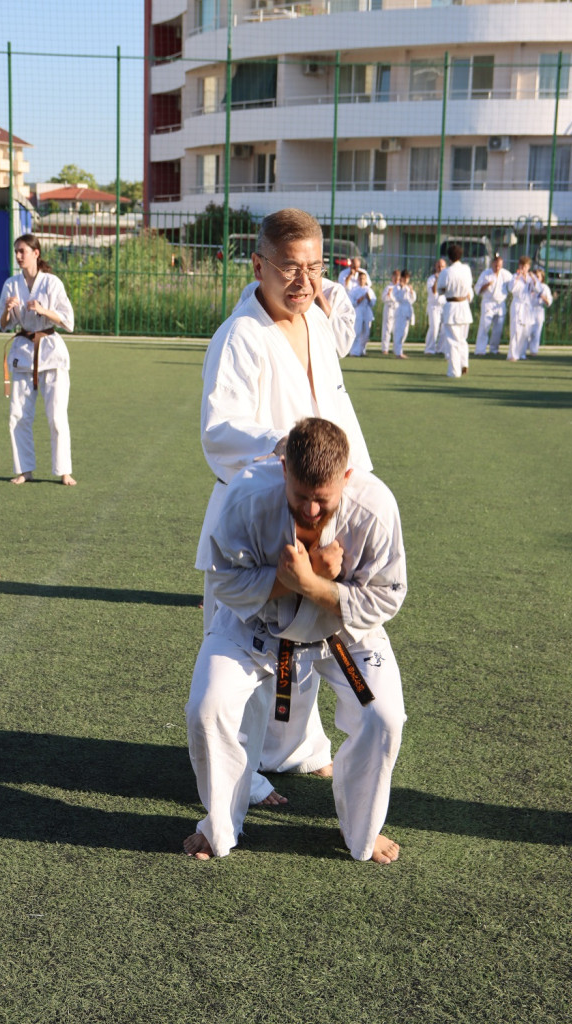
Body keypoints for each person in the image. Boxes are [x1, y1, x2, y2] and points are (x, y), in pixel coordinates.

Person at [198, 208, 373, 808]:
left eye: (315, 268)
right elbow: (219, 431)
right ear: (259, 266)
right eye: (290, 268)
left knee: (305, 640)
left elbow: (338, 411)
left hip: (320, 511)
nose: (304, 281)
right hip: (258, 516)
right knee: (245, 647)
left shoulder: (317, 322)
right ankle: (243, 773)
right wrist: (283, 447)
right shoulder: (239, 336)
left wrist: (356, 486)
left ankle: (295, 746)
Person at [185, 417, 406, 863]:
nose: (311, 510)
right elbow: (225, 582)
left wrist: (315, 586)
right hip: (256, 627)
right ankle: (219, 826)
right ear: (283, 469)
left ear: (347, 477)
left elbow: (387, 597)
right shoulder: (248, 494)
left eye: (323, 499)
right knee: (207, 708)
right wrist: (294, 579)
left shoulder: (375, 508)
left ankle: (362, 830)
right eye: (301, 496)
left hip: (341, 635)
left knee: (383, 717)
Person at [0, 233, 76, 485]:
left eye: (22, 251)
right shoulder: (11, 284)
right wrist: (8, 310)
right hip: (23, 352)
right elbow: (3, 324)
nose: (18, 256)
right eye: (16, 252)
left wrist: (43, 311)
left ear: (36, 253)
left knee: (56, 416)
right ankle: (24, 469)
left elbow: (68, 321)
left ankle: (64, 470)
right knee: (18, 415)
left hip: (51, 352)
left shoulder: (52, 283)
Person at [234, 274, 357, 360]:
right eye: (290, 268)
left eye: (312, 267)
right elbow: (236, 335)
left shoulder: (334, 292)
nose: (303, 279)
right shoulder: (255, 291)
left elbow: (342, 347)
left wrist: (319, 296)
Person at [437, 244, 473, 378]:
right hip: (464, 306)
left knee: (453, 341)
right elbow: (469, 286)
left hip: (451, 306)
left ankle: (454, 371)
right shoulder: (466, 269)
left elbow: (440, 290)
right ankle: (464, 362)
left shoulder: (446, 272)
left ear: (449, 257)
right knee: (462, 338)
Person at [473, 254, 512, 356]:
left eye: (499, 266)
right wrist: (486, 285)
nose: (497, 268)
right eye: (496, 265)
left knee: (498, 329)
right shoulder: (486, 274)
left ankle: (494, 349)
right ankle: (480, 350)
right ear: (492, 264)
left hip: (500, 303)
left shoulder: (506, 274)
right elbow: (477, 289)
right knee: (484, 326)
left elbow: (512, 286)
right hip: (488, 302)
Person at [507, 256, 534, 362]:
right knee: (516, 330)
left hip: (527, 306)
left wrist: (532, 279)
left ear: (528, 267)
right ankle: (512, 355)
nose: (523, 268)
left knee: (526, 331)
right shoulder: (515, 276)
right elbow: (511, 289)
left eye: (525, 266)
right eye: (522, 266)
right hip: (517, 305)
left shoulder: (531, 278)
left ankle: (522, 353)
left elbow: (537, 289)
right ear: (519, 266)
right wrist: (518, 277)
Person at [347, 269, 376, 356]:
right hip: (358, 311)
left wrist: (369, 298)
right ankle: (354, 351)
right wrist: (359, 300)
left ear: (366, 279)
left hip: (367, 312)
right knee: (357, 331)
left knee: (366, 333)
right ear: (358, 279)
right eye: (360, 278)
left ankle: (362, 350)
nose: (362, 280)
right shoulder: (354, 290)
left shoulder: (369, 290)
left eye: (363, 278)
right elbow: (351, 303)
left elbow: (373, 303)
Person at [525, 269, 553, 358]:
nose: (536, 278)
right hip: (528, 310)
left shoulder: (544, 287)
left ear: (542, 278)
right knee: (526, 332)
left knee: (536, 333)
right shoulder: (528, 285)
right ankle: (523, 350)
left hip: (538, 311)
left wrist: (543, 297)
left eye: (538, 277)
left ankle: (534, 351)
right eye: (534, 276)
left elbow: (549, 302)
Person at [391, 269, 416, 359]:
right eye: (404, 278)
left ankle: (398, 349)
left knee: (405, 332)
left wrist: (411, 292)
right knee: (399, 332)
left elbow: (413, 299)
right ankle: (398, 352)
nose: (406, 280)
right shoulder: (397, 287)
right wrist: (402, 288)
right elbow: (398, 298)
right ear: (401, 278)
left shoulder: (408, 288)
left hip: (407, 310)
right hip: (400, 310)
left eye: (407, 278)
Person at [424, 259, 446, 355]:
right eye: (438, 266)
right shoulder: (431, 279)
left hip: (444, 305)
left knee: (445, 328)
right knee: (434, 327)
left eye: (442, 266)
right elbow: (433, 292)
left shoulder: (447, 278)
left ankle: (441, 349)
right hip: (434, 306)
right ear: (435, 267)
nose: (440, 269)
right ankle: (429, 349)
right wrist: (437, 280)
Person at [380, 270, 400, 355]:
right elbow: (383, 298)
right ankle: (385, 348)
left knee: (397, 330)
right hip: (389, 309)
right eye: (395, 277)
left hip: (397, 309)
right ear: (392, 277)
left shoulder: (400, 287)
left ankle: (396, 348)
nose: (396, 279)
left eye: (398, 277)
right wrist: (388, 294)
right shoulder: (388, 287)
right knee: (387, 329)